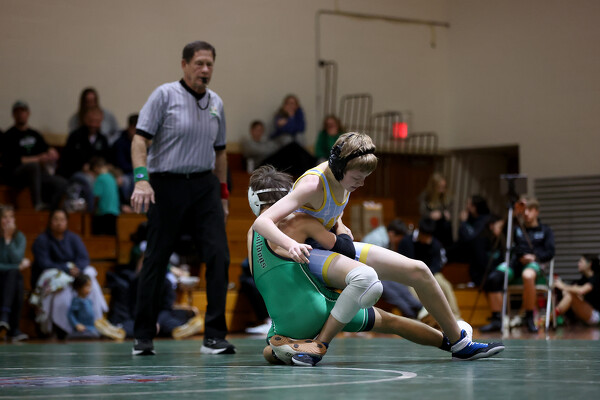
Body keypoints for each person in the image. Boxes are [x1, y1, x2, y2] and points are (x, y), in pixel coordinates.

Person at [252, 133, 504, 364]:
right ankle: (320, 345)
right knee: (367, 281)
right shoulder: (312, 184)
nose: (361, 184)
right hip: (306, 253)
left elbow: (328, 209)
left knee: (419, 270)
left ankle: (459, 343)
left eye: (365, 178)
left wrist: (340, 225)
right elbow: (262, 222)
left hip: (329, 245)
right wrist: (292, 244)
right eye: (357, 178)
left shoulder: (341, 178)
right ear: (339, 168)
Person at [130, 40, 234, 356]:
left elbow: (221, 153)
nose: (205, 69)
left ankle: (214, 336)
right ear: (185, 64)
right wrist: (141, 179)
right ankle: (143, 336)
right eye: (199, 63)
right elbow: (139, 141)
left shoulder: (216, 103)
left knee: (219, 255)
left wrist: (223, 196)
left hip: (204, 186)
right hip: (166, 184)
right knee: (156, 258)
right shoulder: (164, 95)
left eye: (209, 64)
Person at [29, 209, 108, 336]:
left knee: (89, 274)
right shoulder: (41, 240)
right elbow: (43, 263)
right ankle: (62, 328)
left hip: (74, 274)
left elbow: (84, 258)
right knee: (60, 282)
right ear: (50, 221)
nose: (59, 223)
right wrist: (65, 268)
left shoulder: (73, 238)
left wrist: (77, 268)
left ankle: (96, 321)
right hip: (55, 276)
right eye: (56, 219)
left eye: (62, 220)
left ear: (66, 222)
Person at [481, 198, 555, 333]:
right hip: (515, 263)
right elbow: (499, 230)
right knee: (493, 278)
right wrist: (514, 212)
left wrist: (534, 257)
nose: (526, 213)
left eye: (530, 210)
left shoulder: (545, 230)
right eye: (524, 210)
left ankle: (528, 317)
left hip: (534, 264)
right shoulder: (516, 228)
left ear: (536, 212)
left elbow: (550, 252)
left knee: (527, 276)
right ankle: (497, 319)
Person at [0, 101, 67, 210]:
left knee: (61, 182)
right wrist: (37, 159)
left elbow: (45, 148)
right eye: (17, 112)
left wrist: (51, 152)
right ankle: (37, 204)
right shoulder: (8, 135)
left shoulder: (34, 134)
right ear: (13, 115)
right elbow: (11, 160)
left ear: (28, 113)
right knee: (33, 166)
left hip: (38, 175)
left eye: (23, 111)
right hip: (17, 175)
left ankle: (53, 211)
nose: (20, 114)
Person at [398, 217, 462, 320]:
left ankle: (456, 317)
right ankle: (422, 317)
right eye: (425, 236)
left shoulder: (435, 244)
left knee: (445, 285)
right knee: (412, 289)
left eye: (429, 236)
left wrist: (427, 275)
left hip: (431, 273)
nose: (428, 239)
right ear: (420, 232)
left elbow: (437, 264)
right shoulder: (406, 242)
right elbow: (402, 262)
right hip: (411, 275)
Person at [362, 219, 426, 320]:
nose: (398, 241)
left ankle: (419, 308)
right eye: (398, 238)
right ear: (392, 233)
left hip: (378, 273)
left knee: (401, 285)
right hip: (369, 276)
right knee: (393, 294)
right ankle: (412, 315)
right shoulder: (376, 239)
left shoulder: (384, 237)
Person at [0, 205, 30, 341]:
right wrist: (15, 266)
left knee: (15, 276)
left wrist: (8, 239)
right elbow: (17, 263)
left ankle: (5, 318)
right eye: (4, 217)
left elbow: (17, 258)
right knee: (14, 273)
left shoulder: (19, 237)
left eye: (11, 217)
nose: (8, 220)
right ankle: (13, 329)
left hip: (10, 278)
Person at [554, 254, 600, 326]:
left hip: (596, 316)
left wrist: (563, 286)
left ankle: (550, 318)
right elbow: (574, 288)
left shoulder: (596, 278)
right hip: (586, 312)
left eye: (581, 262)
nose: (578, 264)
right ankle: (553, 317)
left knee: (570, 296)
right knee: (568, 294)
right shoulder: (583, 279)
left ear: (589, 264)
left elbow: (582, 290)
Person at [418, 173, 453, 249]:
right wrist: (430, 214)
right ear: (433, 187)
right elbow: (422, 212)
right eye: (440, 187)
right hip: (429, 226)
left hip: (441, 227)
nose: (442, 190)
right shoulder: (426, 196)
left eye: (444, 187)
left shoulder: (446, 197)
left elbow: (448, 211)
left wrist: (446, 214)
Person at [89, 157, 120, 235]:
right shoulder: (111, 177)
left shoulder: (100, 178)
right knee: (111, 237)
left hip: (103, 212)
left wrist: (92, 209)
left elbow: (97, 196)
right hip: (114, 211)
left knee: (99, 238)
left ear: (95, 168)